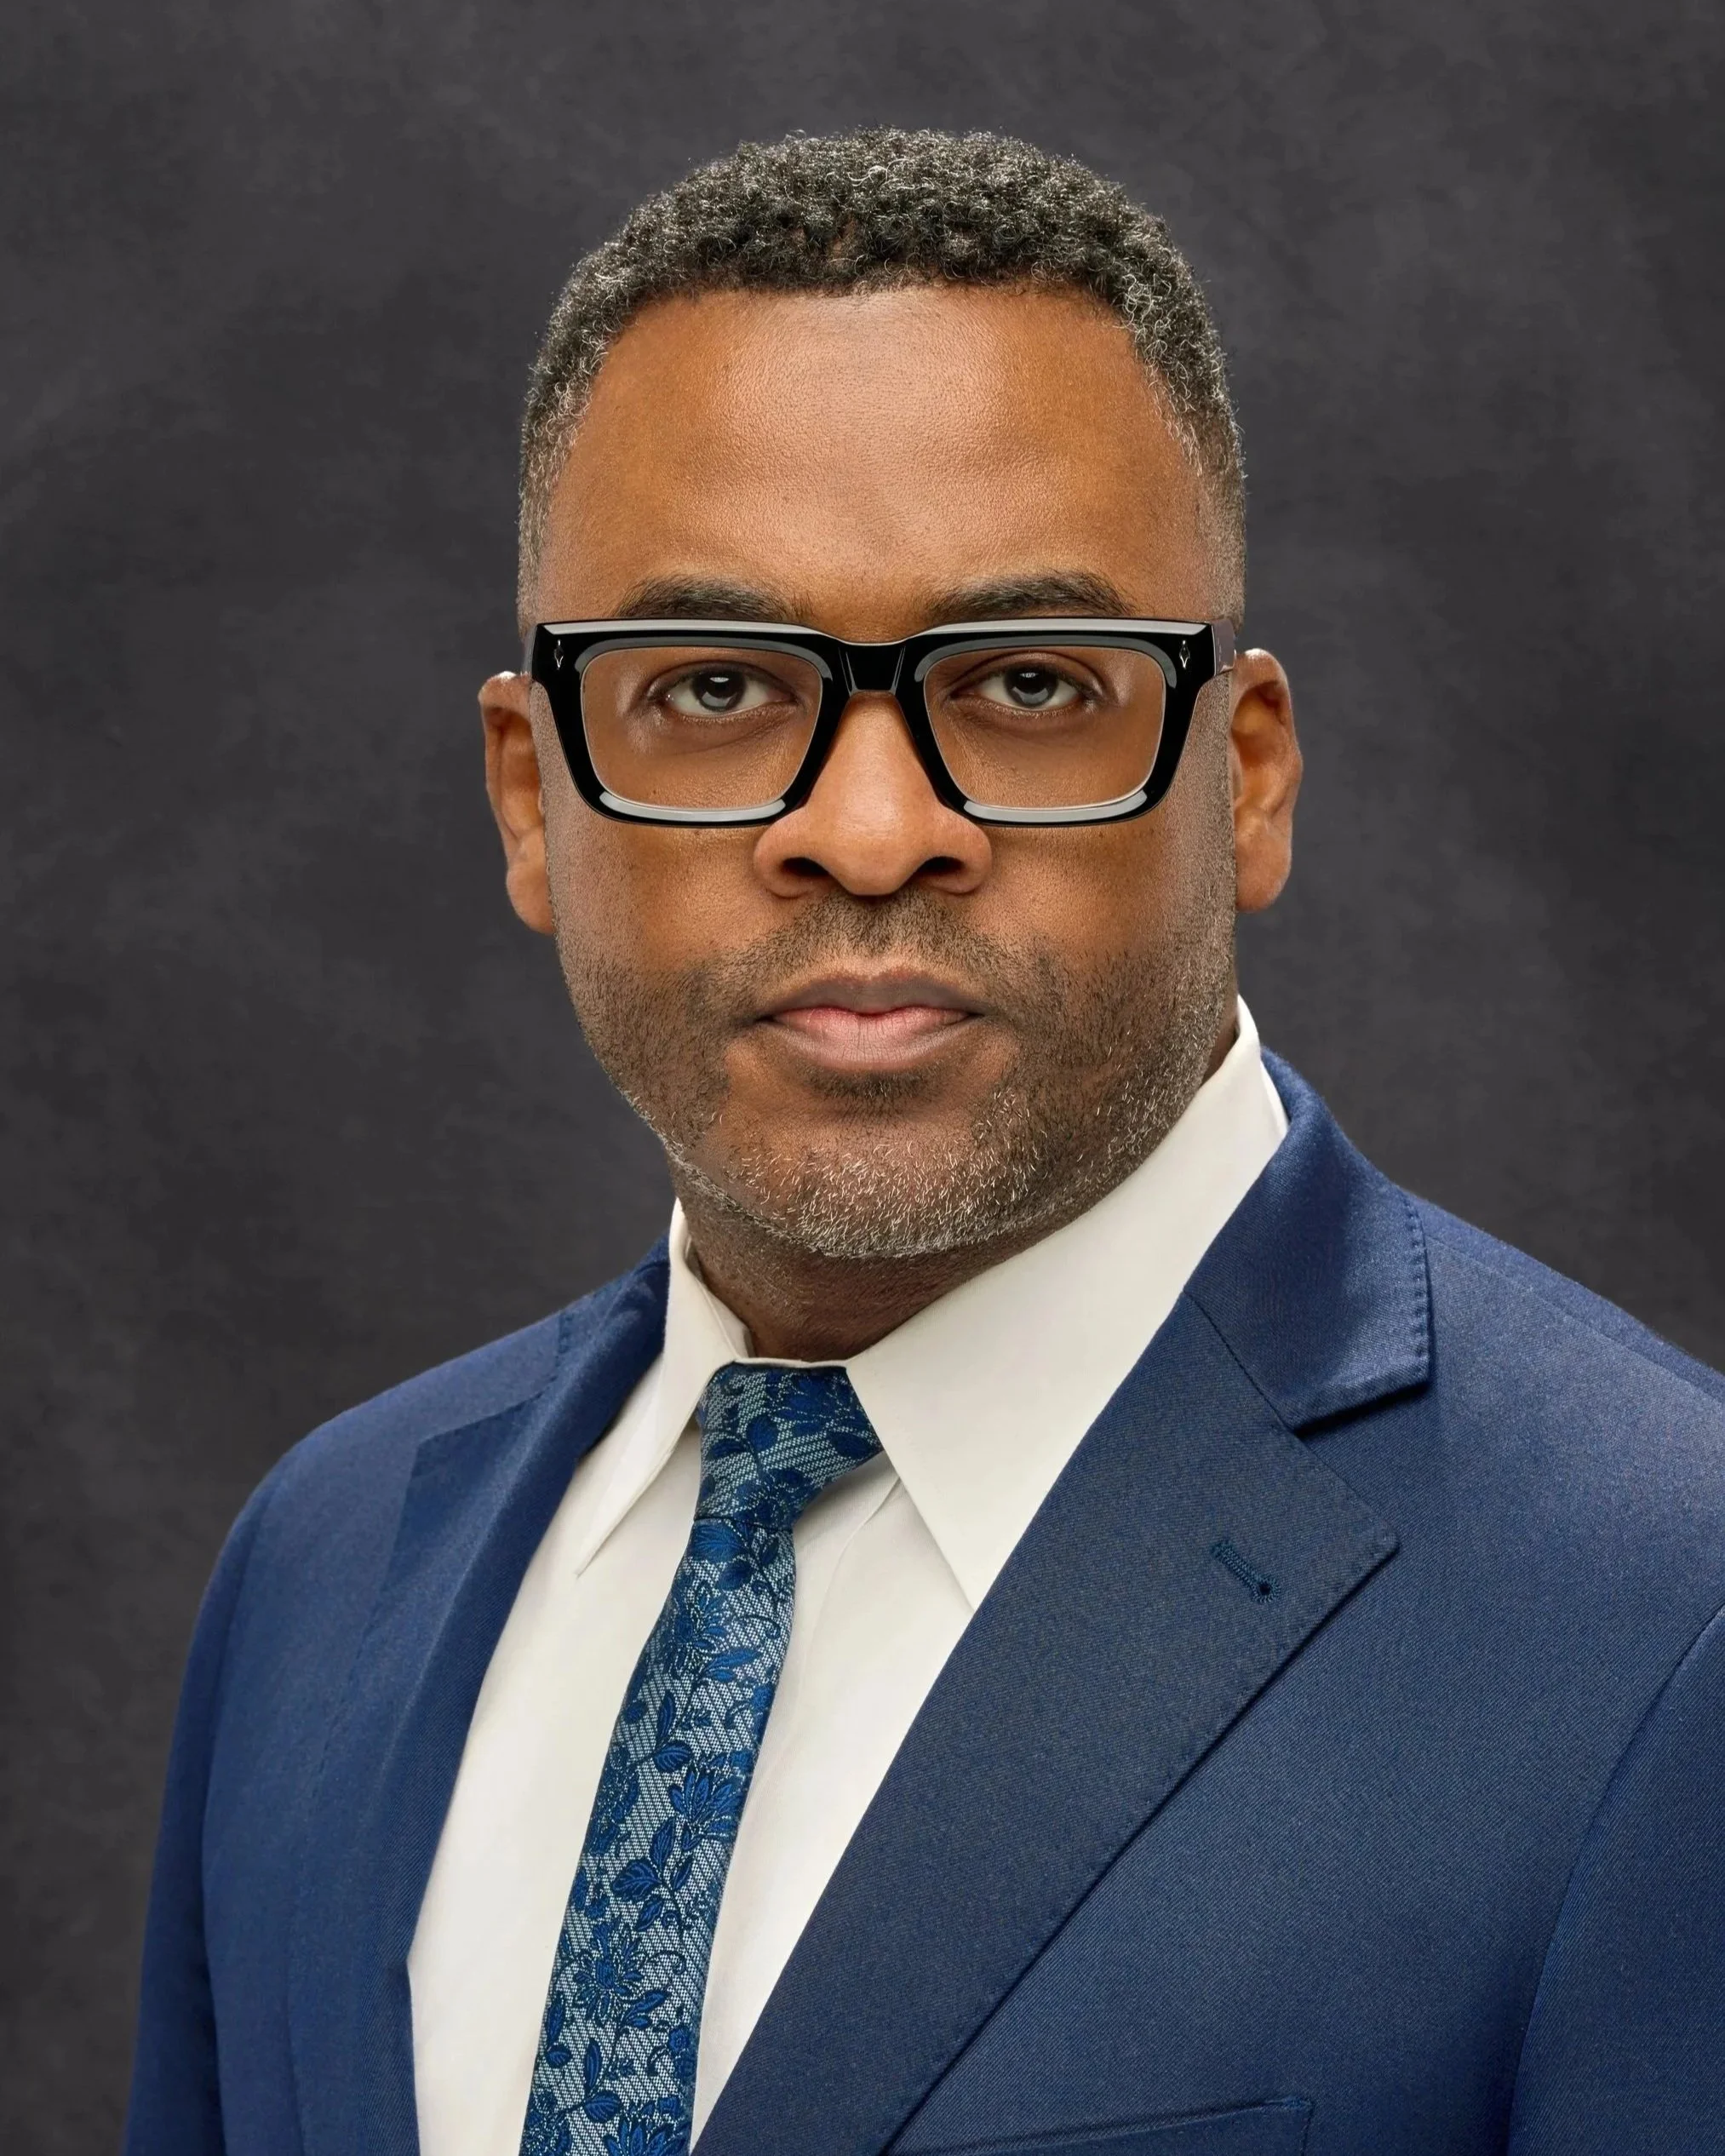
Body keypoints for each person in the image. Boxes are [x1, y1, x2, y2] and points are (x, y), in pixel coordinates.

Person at [123, 129, 1725, 2156]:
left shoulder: (1666, 1612)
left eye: (1028, 684)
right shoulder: (325, 1564)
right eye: (712, 684)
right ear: (532, 798)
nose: (870, 832)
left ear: (1242, 781)